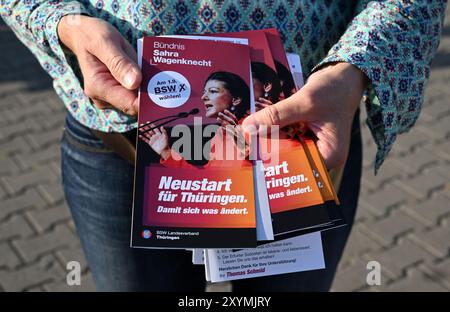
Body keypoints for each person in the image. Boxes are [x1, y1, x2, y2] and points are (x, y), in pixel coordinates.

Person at [1, 0, 445, 291]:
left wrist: (356, 67)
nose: (209, 98)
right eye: (207, 92)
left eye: (217, 93)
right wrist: (61, 22)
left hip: (299, 149)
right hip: (117, 153)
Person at [140, 71, 251, 166]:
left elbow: (260, 162)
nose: (203, 97)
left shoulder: (254, 124)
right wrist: (166, 152)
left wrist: (236, 135)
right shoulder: (220, 134)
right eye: (204, 92)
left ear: (236, 99)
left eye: (212, 91)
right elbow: (207, 180)